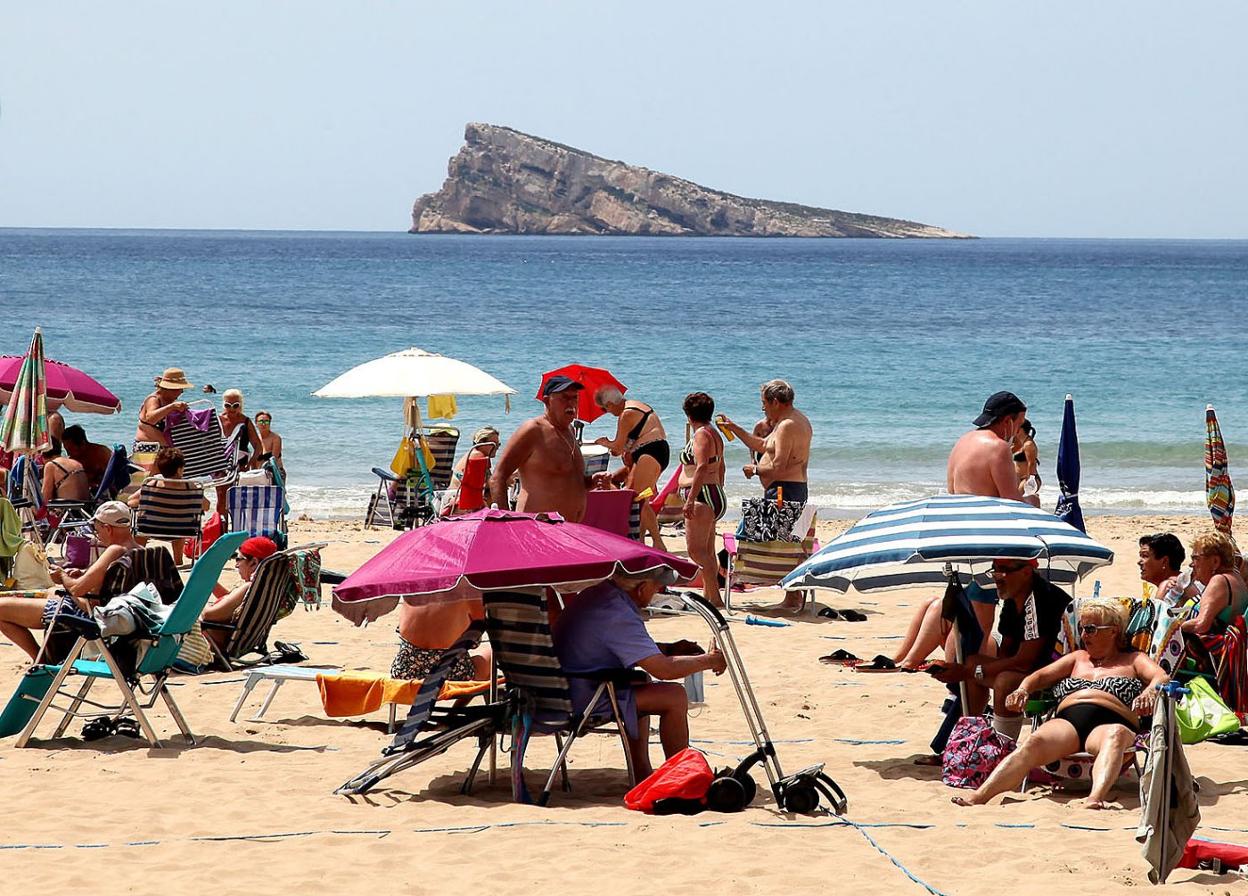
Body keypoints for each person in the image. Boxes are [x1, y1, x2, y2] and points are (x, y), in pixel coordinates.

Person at [953, 599, 1168, 809]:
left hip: (1112, 720)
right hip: (1069, 722)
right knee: (1033, 742)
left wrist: (1149, 691)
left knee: (1115, 736)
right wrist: (1023, 690)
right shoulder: (1077, 658)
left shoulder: (1133, 660)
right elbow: (1038, 677)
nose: (1084, 635)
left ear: (1113, 631)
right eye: (1082, 628)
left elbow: (1161, 677)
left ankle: (1094, 798)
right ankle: (980, 795)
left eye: (1091, 629)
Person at [553, 571, 727, 778]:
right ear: (642, 588)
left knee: (641, 681)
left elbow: (619, 646)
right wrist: (710, 661)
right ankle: (682, 776)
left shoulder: (600, 595)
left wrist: (670, 649)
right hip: (579, 697)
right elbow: (664, 670)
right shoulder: (617, 613)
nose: (658, 592)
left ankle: (642, 770)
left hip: (560, 688)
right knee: (674, 696)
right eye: (656, 587)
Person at [932, 558, 1072, 741]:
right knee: (973, 662)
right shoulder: (1014, 600)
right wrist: (972, 669)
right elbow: (1007, 653)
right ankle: (969, 742)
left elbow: (1024, 661)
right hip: (1033, 668)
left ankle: (1002, 747)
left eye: (1004, 570)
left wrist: (970, 671)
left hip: (1056, 673)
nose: (997, 577)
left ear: (1027, 572)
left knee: (1004, 680)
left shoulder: (1041, 598)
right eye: (995, 570)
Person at [0, 502, 140, 660]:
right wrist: (85, 573)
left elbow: (76, 589)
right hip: (125, 618)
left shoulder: (115, 550)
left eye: (97, 529)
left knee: (1, 609)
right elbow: (114, 580)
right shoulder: (141, 552)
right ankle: (41, 658)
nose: (97, 535)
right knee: (51, 592)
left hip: (90, 617)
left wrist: (61, 576)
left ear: (107, 528)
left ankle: (40, 660)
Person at [490, 376, 599, 522]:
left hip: (570, 529)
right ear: (547, 401)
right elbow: (498, 477)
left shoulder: (570, 431)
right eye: (564, 398)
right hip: (538, 528)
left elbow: (564, 480)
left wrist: (591, 482)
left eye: (575, 398)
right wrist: (506, 522)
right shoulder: (533, 430)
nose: (571, 403)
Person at [592, 387, 670, 550]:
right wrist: (623, 449)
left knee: (639, 499)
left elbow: (617, 448)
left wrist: (603, 443)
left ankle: (658, 542)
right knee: (642, 498)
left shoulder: (626, 414)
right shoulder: (638, 405)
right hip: (656, 452)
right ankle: (640, 540)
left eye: (604, 408)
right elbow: (628, 443)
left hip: (650, 453)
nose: (606, 412)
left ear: (610, 404)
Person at [718, 380, 811, 503]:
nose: (763, 408)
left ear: (775, 403)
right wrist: (734, 428)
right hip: (787, 489)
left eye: (764, 403)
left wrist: (755, 470)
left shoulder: (787, 426)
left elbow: (778, 468)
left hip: (784, 491)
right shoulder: (795, 419)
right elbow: (763, 445)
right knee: (749, 521)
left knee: (752, 522)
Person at [679, 392, 727, 608]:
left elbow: (701, 466)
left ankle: (714, 597)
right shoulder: (714, 433)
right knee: (707, 550)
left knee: (696, 551)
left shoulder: (700, 435)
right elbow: (720, 465)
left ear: (689, 415)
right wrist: (719, 487)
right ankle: (709, 595)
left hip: (701, 494)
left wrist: (689, 500)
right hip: (714, 492)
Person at [128, 447, 209, 564]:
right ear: (179, 469)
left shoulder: (152, 484)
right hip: (182, 530)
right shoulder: (190, 486)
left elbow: (131, 502)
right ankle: (178, 560)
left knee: (142, 522)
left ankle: (138, 559)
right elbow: (206, 506)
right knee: (179, 520)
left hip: (150, 529)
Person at [947, 391, 1027, 500]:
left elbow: (951, 491)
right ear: (1008, 421)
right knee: (1033, 500)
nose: (1018, 431)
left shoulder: (962, 441)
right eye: (1020, 424)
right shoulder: (998, 447)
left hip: (960, 512)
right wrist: (1032, 501)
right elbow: (1012, 500)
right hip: (984, 515)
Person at [201, 535, 279, 647]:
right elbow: (232, 601)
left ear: (254, 563)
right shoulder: (263, 587)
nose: (236, 565)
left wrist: (197, 605)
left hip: (215, 641)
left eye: (238, 559)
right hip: (244, 641)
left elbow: (209, 615)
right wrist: (210, 583)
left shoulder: (248, 587)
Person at [391, 598, 491, 681]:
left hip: (404, 674)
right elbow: (474, 642)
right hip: (449, 676)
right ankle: (460, 704)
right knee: (495, 650)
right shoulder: (467, 595)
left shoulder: (413, 592)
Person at [1181, 531, 1248, 636]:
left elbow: (1201, 625)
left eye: (1196, 558)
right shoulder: (1238, 580)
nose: (1191, 564)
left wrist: (1173, 626)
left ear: (1215, 561)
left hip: (1208, 651)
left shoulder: (1219, 581)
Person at [217, 389, 264, 516]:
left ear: (240, 405)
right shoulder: (217, 420)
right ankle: (222, 529)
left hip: (241, 465)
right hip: (220, 464)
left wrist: (251, 463)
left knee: (238, 499)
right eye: (228, 405)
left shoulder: (246, 422)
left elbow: (258, 446)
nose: (232, 409)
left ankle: (237, 527)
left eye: (235, 405)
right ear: (223, 405)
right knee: (221, 497)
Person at [440, 426, 501, 516]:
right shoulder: (477, 457)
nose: (496, 447)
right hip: (460, 502)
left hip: (462, 499)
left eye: (498, 444)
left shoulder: (478, 455)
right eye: (493, 444)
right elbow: (478, 487)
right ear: (481, 443)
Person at [134, 367, 192, 453]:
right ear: (170, 389)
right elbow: (150, 418)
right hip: (148, 448)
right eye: (180, 389)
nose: (181, 392)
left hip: (163, 449)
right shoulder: (154, 399)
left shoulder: (168, 401)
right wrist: (172, 407)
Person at [61, 424, 114, 492]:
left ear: (82, 444)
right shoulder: (73, 460)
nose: (68, 454)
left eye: (70, 449)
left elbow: (112, 477)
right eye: (66, 450)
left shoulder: (101, 453)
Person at [1138, 532, 1186, 600]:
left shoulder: (1174, 588)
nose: (1139, 562)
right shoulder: (1181, 583)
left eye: (1145, 556)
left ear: (1164, 561)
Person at [40, 440, 90, 505]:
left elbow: (46, 497)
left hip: (69, 508)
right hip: (86, 508)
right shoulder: (76, 462)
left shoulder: (51, 465)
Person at [1012, 419, 1040, 508]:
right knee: (1016, 502)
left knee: (1018, 501)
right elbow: (1007, 453)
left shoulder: (1028, 444)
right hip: (1019, 479)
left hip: (1028, 478)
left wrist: (1029, 481)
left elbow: (1031, 464)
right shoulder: (1019, 443)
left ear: (1021, 429)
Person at [254, 410, 284, 480]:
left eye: (267, 421)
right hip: (259, 473)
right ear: (256, 423)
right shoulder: (255, 439)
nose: (264, 424)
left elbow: (274, 459)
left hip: (276, 473)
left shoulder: (275, 438)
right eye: (261, 421)